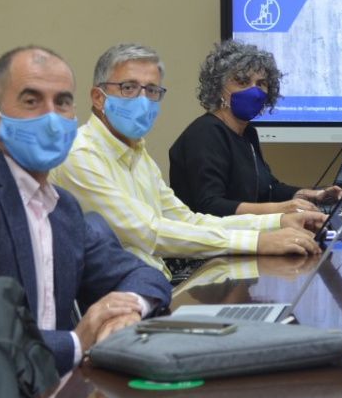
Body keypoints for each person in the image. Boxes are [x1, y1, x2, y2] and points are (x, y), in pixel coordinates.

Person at [0, 46, 171, 375]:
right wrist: (75, 344)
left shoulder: (60, 206)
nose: (51, 118)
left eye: (63, 102)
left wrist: (129, 308)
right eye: (31, 100)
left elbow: (142, 274)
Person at [49, 43, 324, 279]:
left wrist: (277, 223)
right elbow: (151, 233)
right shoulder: (80, 154)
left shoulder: (136, 153)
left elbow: (187, 220)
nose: (143, 100)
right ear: (98, 97)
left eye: (152, 91)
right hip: (120, 301)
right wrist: (258, 241)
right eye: (129, 88)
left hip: (158, 282)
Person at [169, 41, 342, 217]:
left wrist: (312, 195)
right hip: (211, 240)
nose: (254, 91)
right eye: (243, 82)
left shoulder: (248, 133)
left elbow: (268, 189)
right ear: (219, 88)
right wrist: (282, 209)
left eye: (261, 83)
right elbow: (210, 206)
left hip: (243, 235)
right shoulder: (205, 133)